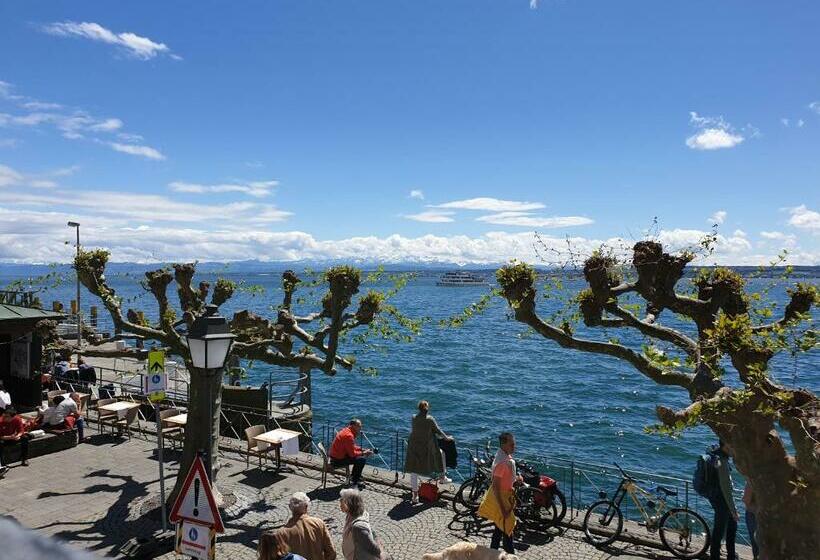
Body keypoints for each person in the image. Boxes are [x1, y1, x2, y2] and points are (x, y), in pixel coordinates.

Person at [478, 431, 520, 553]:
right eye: (512, 444)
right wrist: (502, 508)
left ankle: (492, 553)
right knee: (507, 528)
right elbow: (496, 486)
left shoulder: (503, 456)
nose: (514, 447)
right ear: (504, 444)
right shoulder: (502, 463)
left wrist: (516, 480)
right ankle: (511, 555)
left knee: (499, 529)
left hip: (504, 496)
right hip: (501, 499)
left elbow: (505, 479)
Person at [404, 400, 454, 503]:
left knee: (414, 472)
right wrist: (447, 438)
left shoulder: (414, 418)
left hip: (413, 447)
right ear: (427, 409)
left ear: (419, 408)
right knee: (441, 454)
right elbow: (438, 431)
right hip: (425, 448)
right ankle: (442, 477)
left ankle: (415, 496)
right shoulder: (430, 419)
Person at [278, 492, 336, 560]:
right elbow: (331, 551)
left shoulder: (282, 533)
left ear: (290, 507)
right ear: (306, 506)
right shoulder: (318, 523)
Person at [708, 440, 738, 560]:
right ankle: (715, 557)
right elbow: (725, 488)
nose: (734, 449)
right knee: (719, 532)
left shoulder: (718, 455)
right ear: (726, 446)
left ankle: (731, 555)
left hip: (718, 497)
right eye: (732, 445)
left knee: (731, 526)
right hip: (721, 500)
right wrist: (733, 509)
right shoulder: (722, 461)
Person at [329, 419, 375, 489]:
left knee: (360, 457)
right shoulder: (349, 436)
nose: (360, 428)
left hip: (336, 456)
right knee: (361, 459)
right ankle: (355, 481)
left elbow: (351, 447)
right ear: (353, 426)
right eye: (359, 426)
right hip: (337, 461)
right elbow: (352, 454)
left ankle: (355, 477)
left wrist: (362, 449)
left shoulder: (345, 430)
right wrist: (364, 453)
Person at [339, 488, 383, 560]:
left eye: (342, 501)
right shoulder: (350, 515)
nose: (340, 504)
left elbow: (374, 548)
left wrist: (380, 548)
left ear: (349, 504)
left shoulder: (358, 527)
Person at [0, 406, 30, 472]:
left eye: (7, 417)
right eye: (4, 416)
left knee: (25, 438)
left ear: (12, 417)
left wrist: (18, 436)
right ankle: (2, 464)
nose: (4, 417)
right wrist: (10, 437)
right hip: (4, 438)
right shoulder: (0, 421)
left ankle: (24, 459)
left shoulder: (17, 419)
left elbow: (21, 430)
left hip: (13, 437)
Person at [743, 482, 758, 559]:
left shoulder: (753, 479)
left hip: (754, 514)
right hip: (757, 516)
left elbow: (746, 500)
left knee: (756, 543)